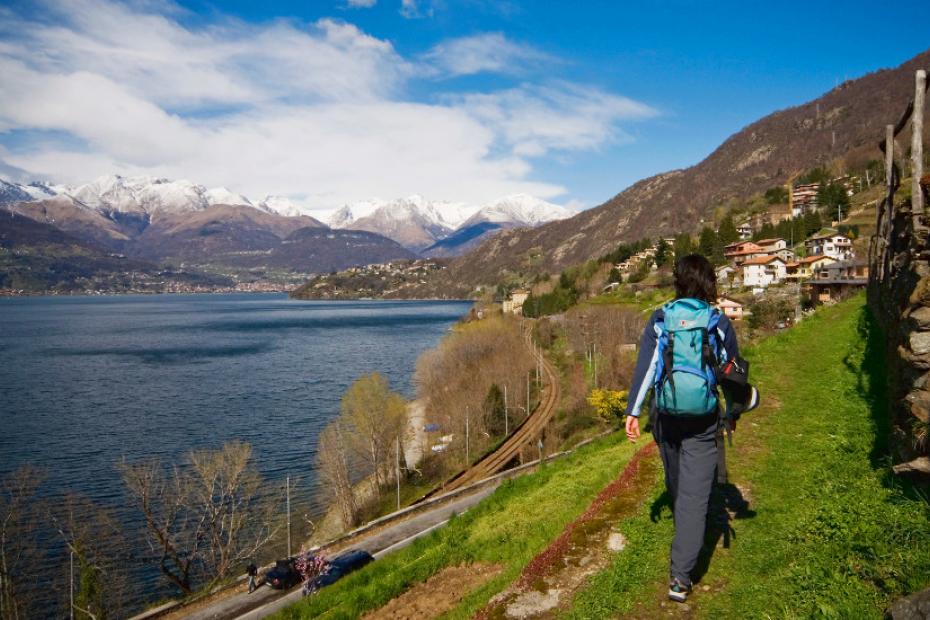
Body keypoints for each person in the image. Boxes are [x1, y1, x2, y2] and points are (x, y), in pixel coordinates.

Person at [624, 253, 740, 603]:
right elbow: (732, 372)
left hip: (666, 416)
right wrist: (733, 411)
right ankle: (680, 577)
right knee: (693, 494)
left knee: (676, 481)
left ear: (678, 282)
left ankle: (683, 531)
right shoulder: (717, 321)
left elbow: (647, 368)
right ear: (708, 283)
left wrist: (633, 410)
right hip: (703, 419)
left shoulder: (661, 318)